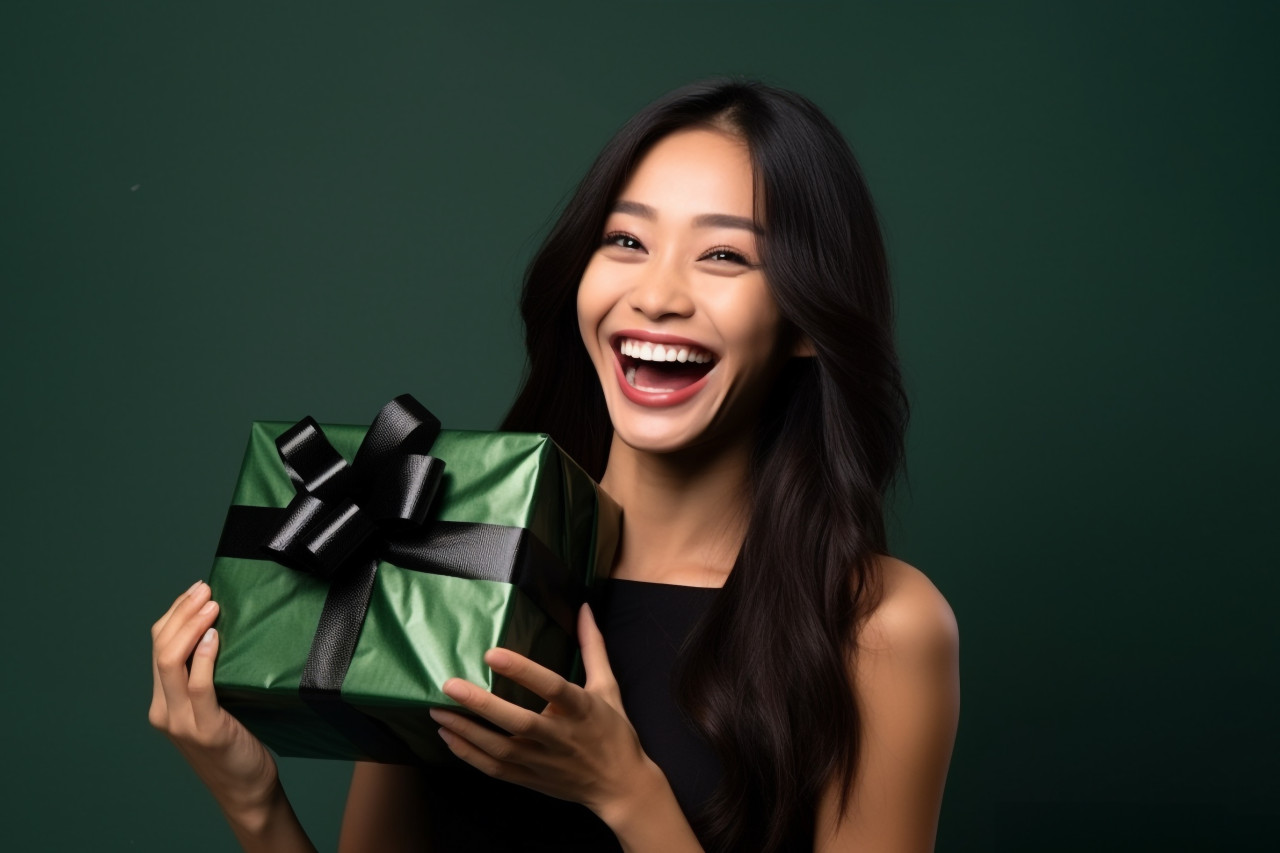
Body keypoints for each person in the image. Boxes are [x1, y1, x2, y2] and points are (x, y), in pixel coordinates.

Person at [149, 77, 960, 852]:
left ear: (806, 320)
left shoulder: (879, 625)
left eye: (724, 257)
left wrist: (627, 794)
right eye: (626, 240)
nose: (656, 294)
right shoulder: (450, 546)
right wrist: (250, 798)